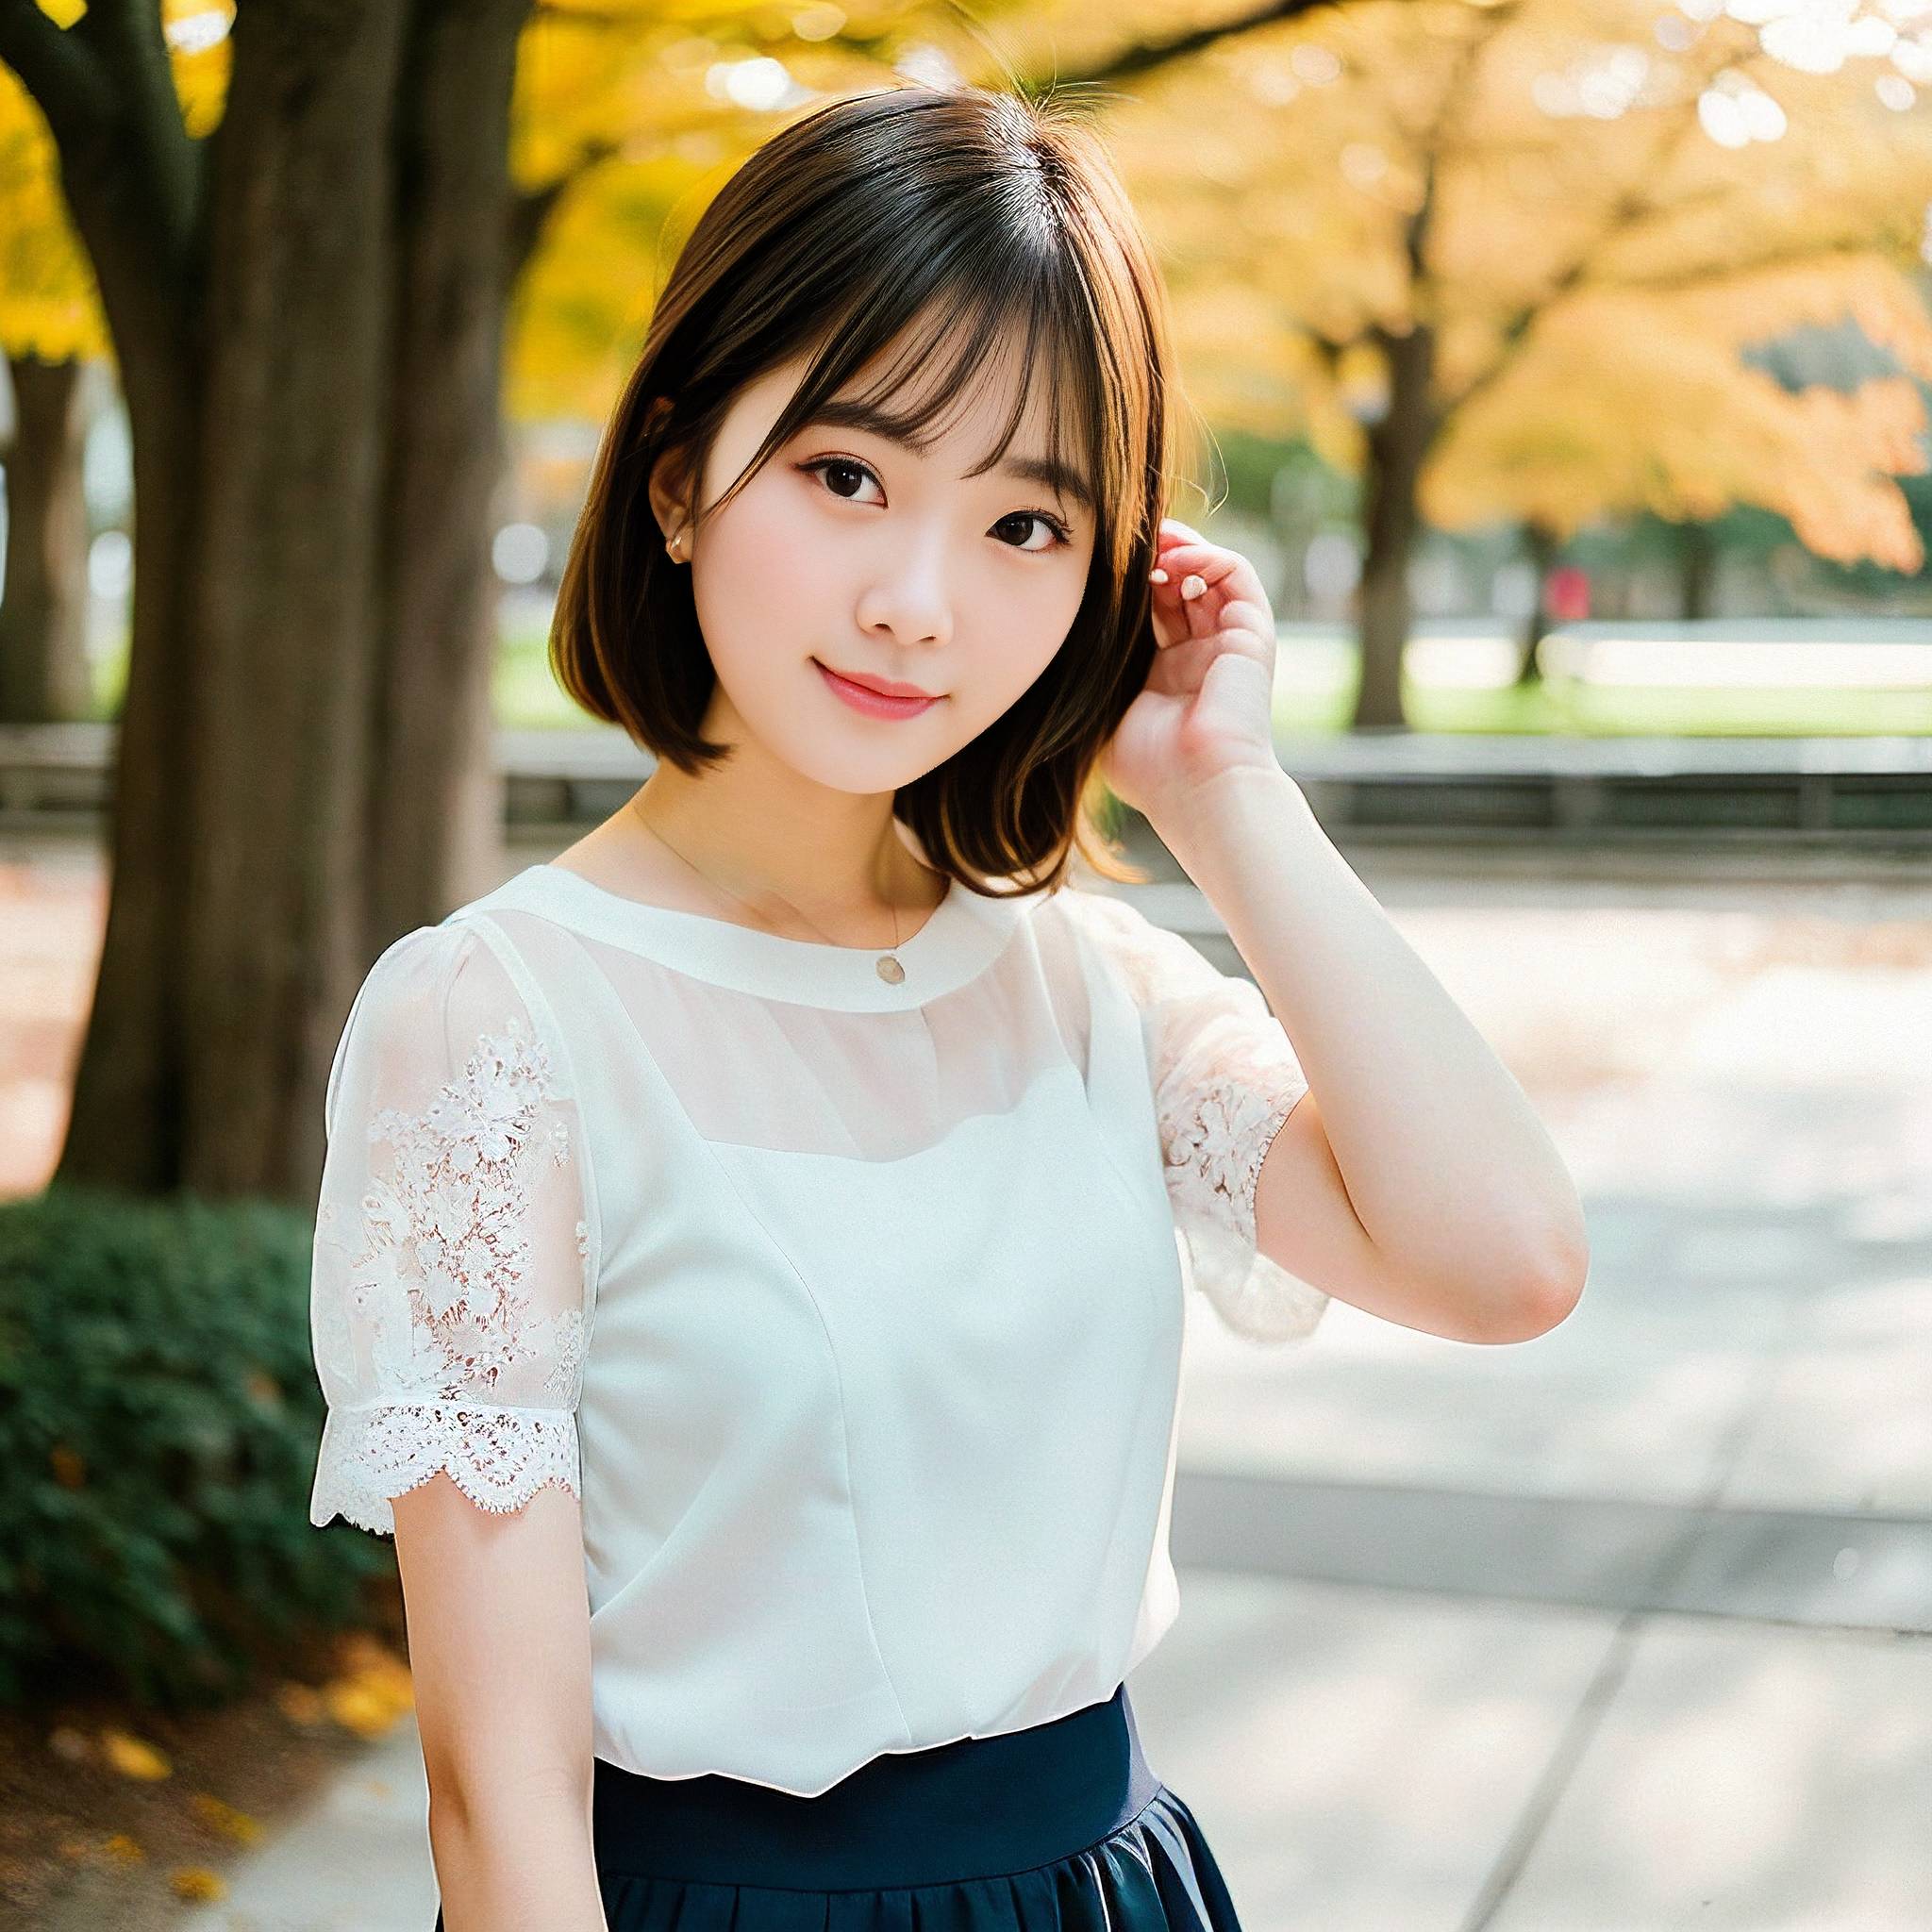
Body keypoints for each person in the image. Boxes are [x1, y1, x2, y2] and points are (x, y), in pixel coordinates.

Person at [306, 80, 1590, 1932]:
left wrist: (1225, 798)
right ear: (677, 475)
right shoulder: (498, 1024)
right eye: (847, 477)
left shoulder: (1091, 990)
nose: (919, 601)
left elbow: (1504, 1259)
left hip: (1106, 1888)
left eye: (1024, 525)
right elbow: (495, 1818)